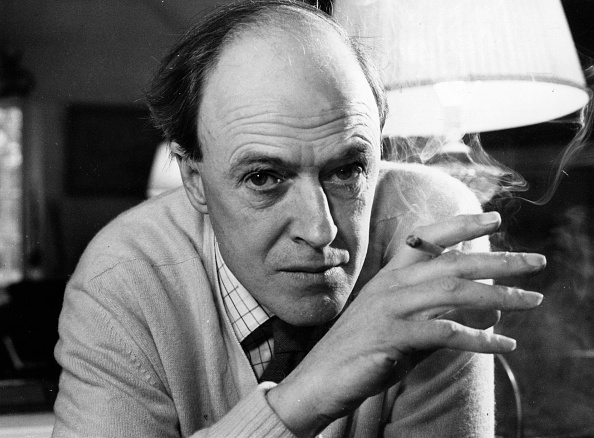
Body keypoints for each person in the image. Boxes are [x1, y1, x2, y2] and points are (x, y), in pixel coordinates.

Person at [52, 1, 546, 437]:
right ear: (195, 180)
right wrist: (307, 395)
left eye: (347, 170)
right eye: (264, 177)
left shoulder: (432, 234)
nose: (320, 230)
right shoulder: (122, 276)